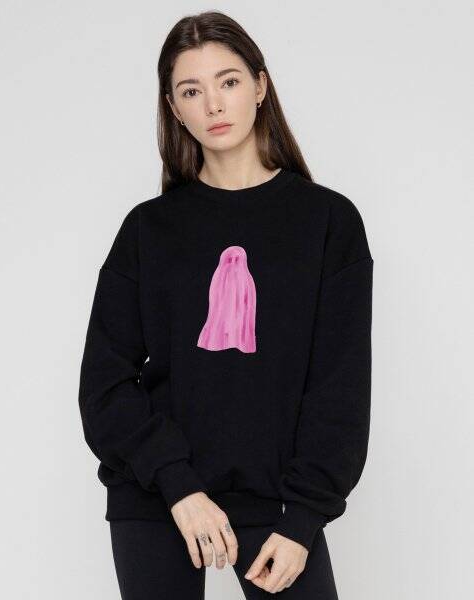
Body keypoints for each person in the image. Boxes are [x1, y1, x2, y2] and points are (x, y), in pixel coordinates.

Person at [78, 10, 373, 599]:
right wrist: (178, 486)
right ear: (174, 107)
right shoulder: (148, 230)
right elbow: (104, 385)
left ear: (260, 86)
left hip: (279, 503)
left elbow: (339, 387)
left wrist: (304, 519)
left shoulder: (328, 223)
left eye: (229, 81)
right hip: (160, 498)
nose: (213, 104)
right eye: (192, 90)